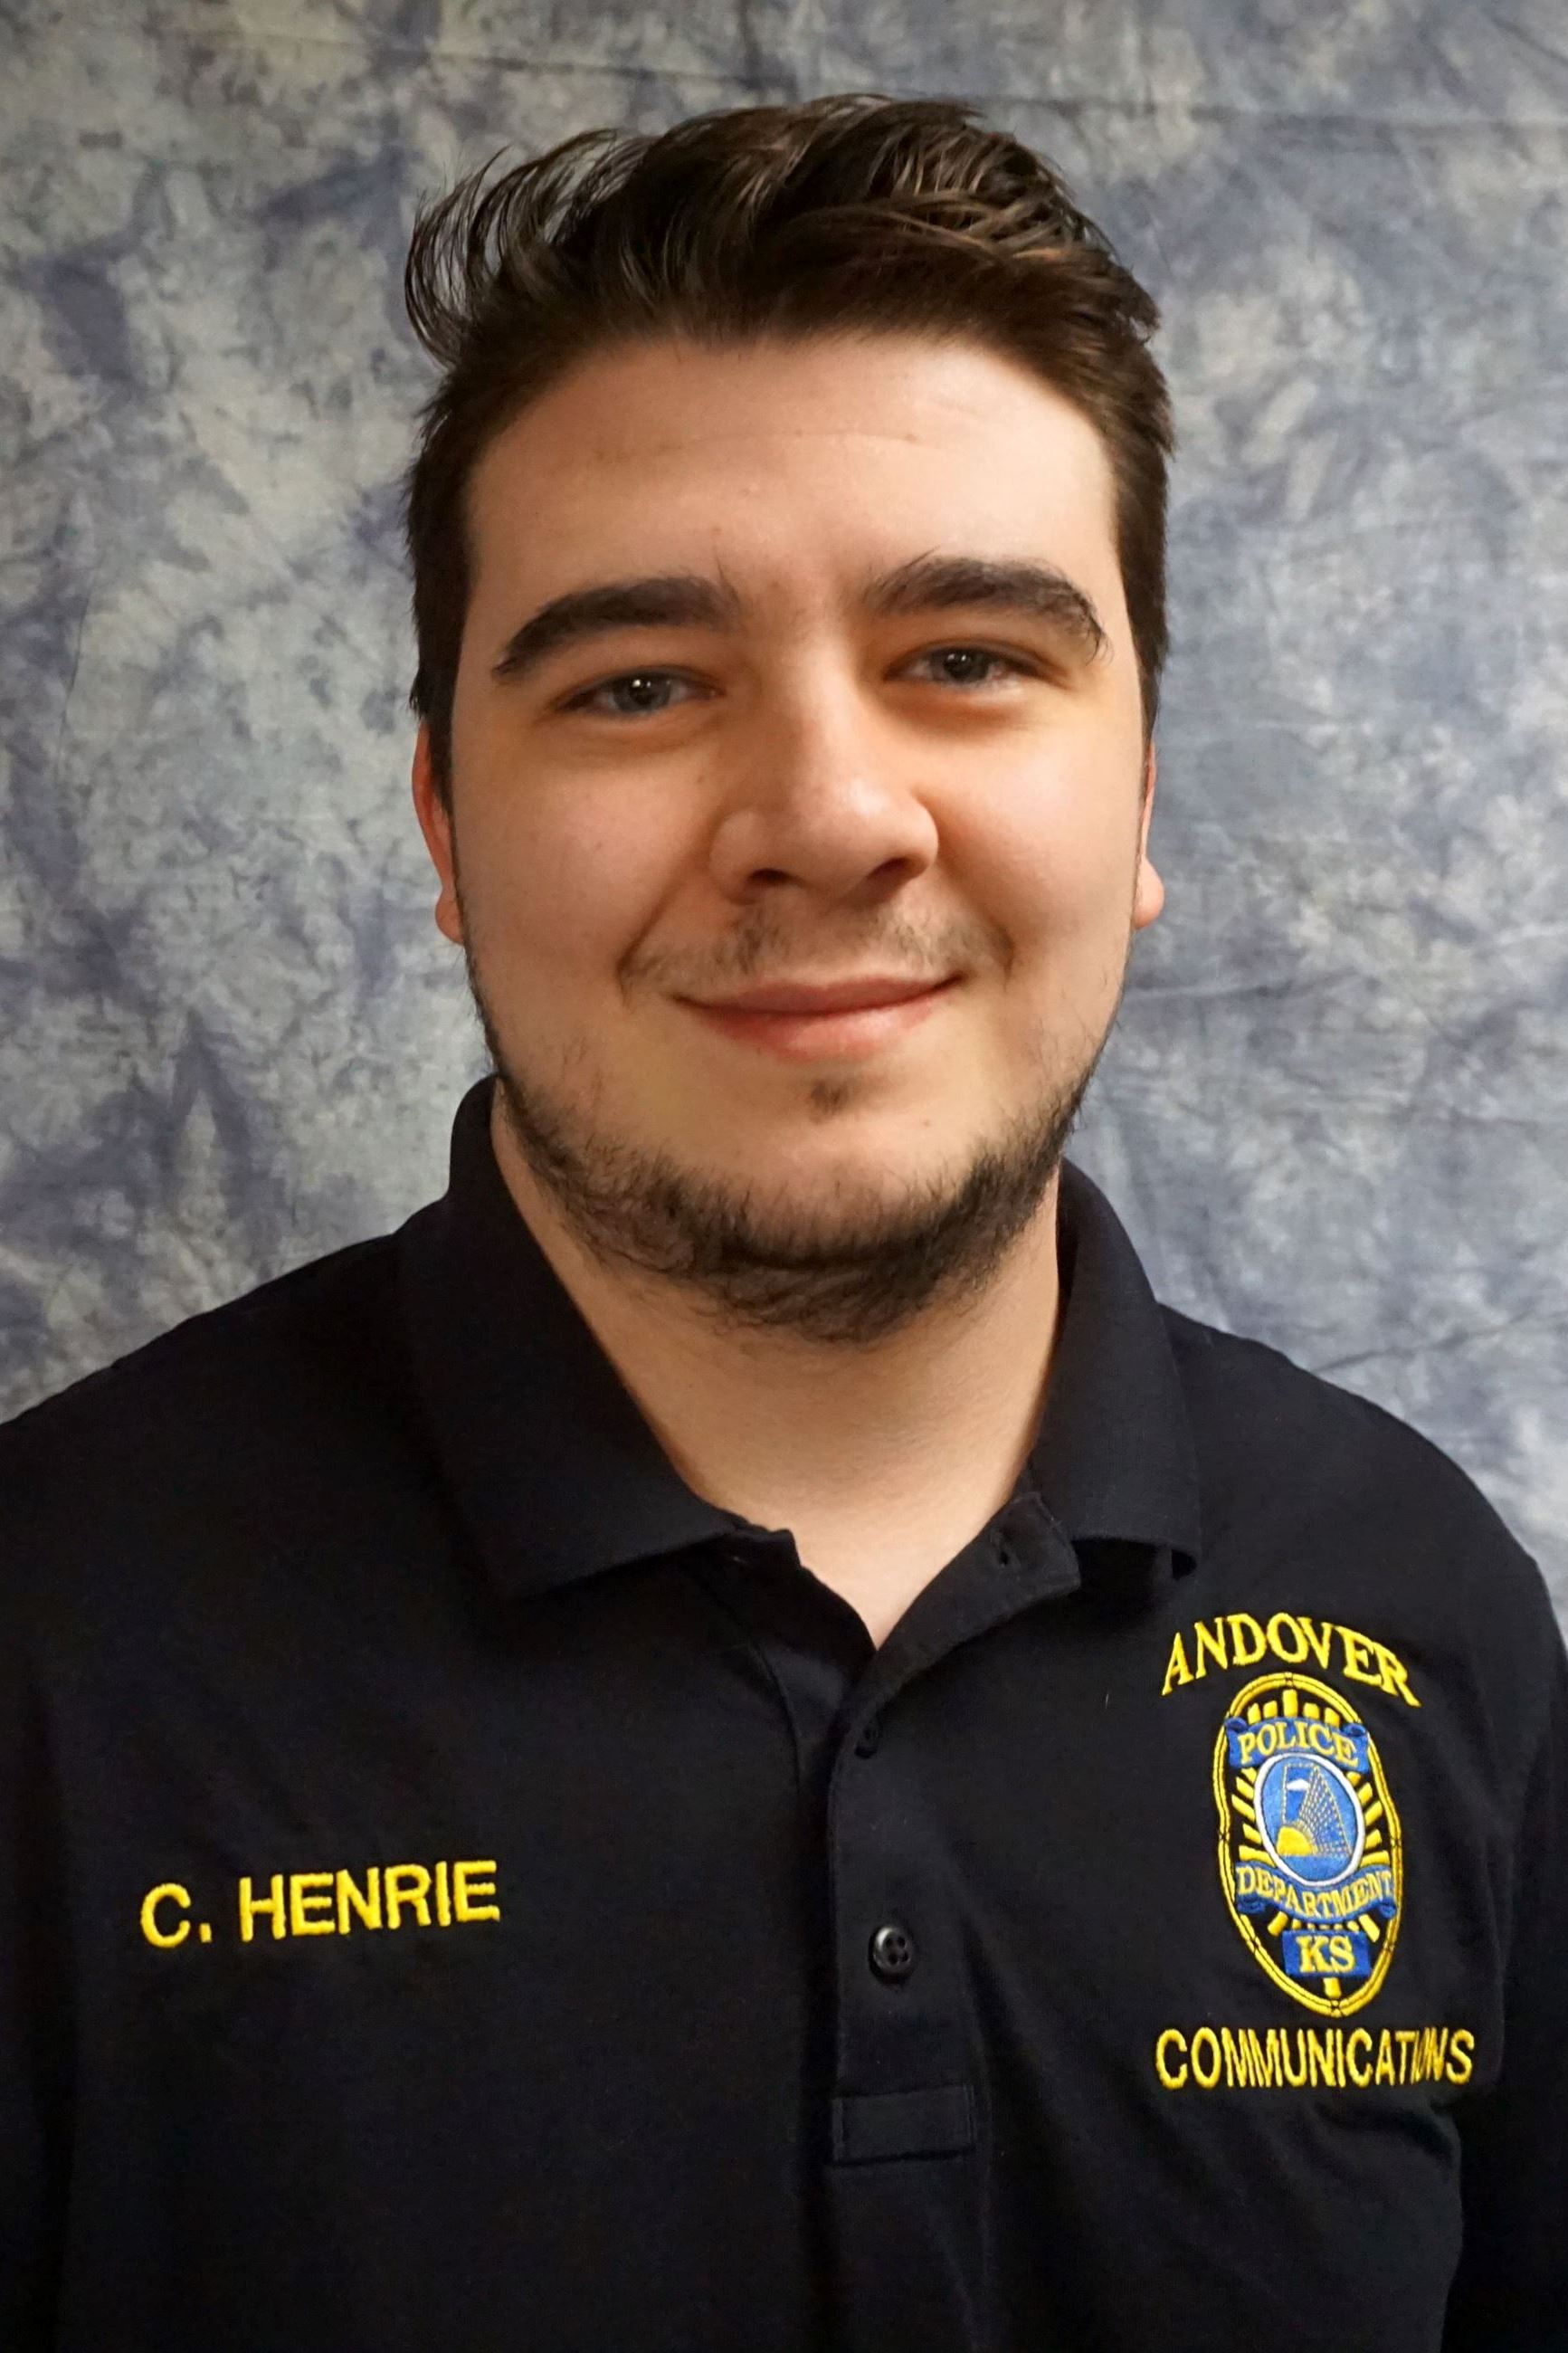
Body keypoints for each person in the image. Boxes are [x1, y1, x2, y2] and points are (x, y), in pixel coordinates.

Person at [2, 90, 1563, 2353]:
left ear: (1141, 786)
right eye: (639, 685)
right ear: (445, 820)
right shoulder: (54, 1649)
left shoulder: (1424, 1608)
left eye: (968, 658)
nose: (829, 818)